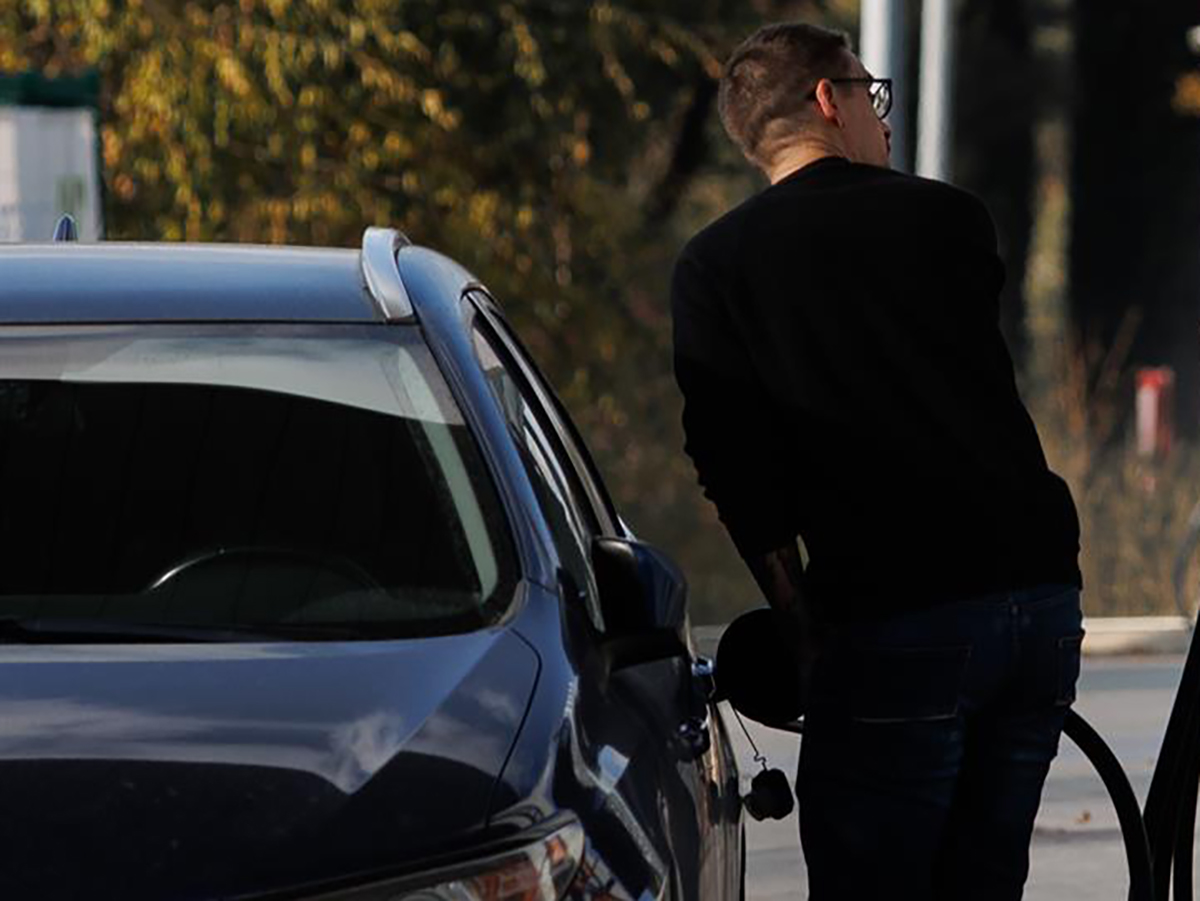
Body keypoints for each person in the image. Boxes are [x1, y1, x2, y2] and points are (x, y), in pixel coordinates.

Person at [670, 21, 1085, 901]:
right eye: (872, 95)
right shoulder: (952, 218)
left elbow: (736, 469)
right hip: (1039, 602)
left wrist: (801, 626)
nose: (882, 120)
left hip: (898, 614)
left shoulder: (716, 267)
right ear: (829, 100)